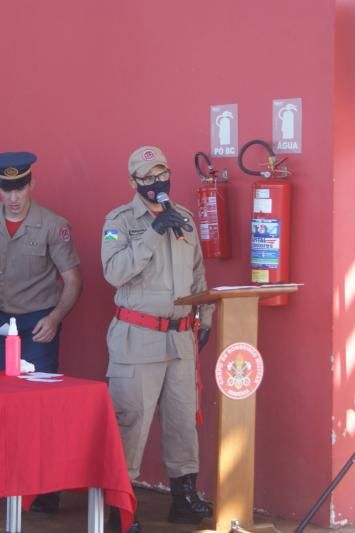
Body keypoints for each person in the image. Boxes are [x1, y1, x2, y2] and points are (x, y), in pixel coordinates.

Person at [101, 146, 214, 531]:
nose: (156, 183)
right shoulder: (119, 221)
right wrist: (151, 234)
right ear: (134, 182)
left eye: (161, 174)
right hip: (138, 337)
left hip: (180, 338)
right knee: (131, 422)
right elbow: (114, 272)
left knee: (183, 421)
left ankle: (184, 496)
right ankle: (120, 507)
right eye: (147, 178)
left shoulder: (182, 218)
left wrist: (207, 315)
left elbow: (197, 274)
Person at [0, 151, 82, 513]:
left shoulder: (52, 224)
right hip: (0, 324)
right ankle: (2, 478)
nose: (13, 196)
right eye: (5, 188)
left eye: (19, 187)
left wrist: (57, 317)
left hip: (38, 324)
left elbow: (73, 279)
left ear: (31, 183)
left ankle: (45, 487)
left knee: (40, 408)